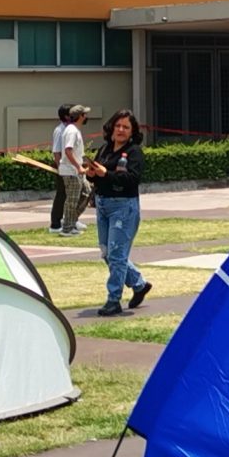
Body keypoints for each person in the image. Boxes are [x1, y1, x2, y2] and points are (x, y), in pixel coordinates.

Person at [89, 110, 149, 316]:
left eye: (126, 127)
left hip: (123, 207)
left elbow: (132, 179)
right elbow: (98, 177)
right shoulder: (104, 149)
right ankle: (139, 284)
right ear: (111, 128)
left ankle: (113, 300)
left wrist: (107, 173)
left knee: (116, 254)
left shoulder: (134, 152)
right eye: (118, 126)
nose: (121, 130)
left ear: (132, 132)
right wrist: (92, 174)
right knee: (107, 253)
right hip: (103, 204)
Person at [49, 103, 88, 236]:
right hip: (70, 170)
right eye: (84, 114)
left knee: (85, 192)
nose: (86, 116)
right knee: (69, 199)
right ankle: (66, 226)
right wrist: (78, 166)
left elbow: (76, 152)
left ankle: (71, 220)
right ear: (79, 116)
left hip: (73, 169)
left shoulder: (73, 129)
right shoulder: (69, 131)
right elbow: (66, 151)